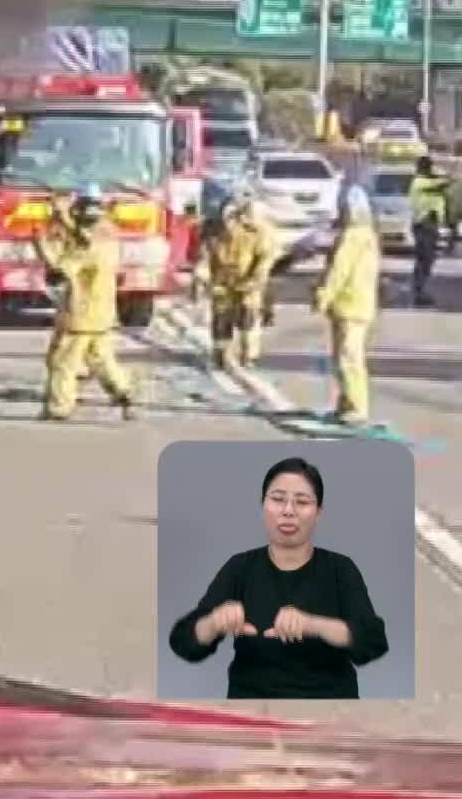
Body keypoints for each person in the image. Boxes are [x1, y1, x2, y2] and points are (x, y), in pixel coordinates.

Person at [167, 457, 389, 699]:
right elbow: (184, 642)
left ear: (318, 513)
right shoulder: (240, 568)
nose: (288, 511)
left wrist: (312, 625)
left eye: (302, 502)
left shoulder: (340, 568)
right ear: (263, 505)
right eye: (278, 499)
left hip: (329, 703)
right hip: (252, 705)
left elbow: (373, 641)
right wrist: (214, 622)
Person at [34, 184, 138, 422]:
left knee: (63, 361)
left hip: (80, 312)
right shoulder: (107, 233)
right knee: (100, 357)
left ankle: (58, 407)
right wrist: (60, 220)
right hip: (102, 311)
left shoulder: (87, 245)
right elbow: (78, 237)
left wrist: (41, 246)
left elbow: (60, 271)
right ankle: (124, 391)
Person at [191, 182, 279, 369]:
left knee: (248, 318)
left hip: (248, 280)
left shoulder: (256, 230)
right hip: (222, 280)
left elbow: (265, 257)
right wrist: (202, 275)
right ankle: (220, 354)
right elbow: (205, 256)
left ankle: (248, 355)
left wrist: (255, 280)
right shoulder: (213, 231)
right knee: (221, 317)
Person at [313, 184, 381, 426]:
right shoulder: (369, 235)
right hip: (358, 303)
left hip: (350, 304)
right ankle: (345, 404)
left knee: (348, 358)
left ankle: (356, 408)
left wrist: (323, 295)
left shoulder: (353, 237)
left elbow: (339, 271)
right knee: (345, 357)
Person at [407, 156, 449, 305]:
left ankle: (420, 290)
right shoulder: (419, 182)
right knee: (424, 259)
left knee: (428, 259)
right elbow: (438, 186)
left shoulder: (429, 180)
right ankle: (419, 292)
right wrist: (449, 179)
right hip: (423, 225)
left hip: (431, 225)